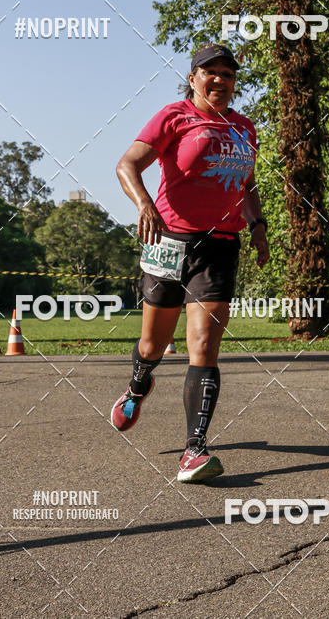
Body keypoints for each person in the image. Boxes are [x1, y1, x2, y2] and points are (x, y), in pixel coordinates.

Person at [110, 43, 269, 482]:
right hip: (168, 240)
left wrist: (257, 225)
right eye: (211, 72)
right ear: (194, 77)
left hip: (220, 244)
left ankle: (193, 451)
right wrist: (144, 203)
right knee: (153, 347)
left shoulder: (244, 128)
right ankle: (140, 383)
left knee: (203, 347)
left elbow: (248, 184)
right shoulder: (173, 116)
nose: (220, 80)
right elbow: (127, 164)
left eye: (228, 74)